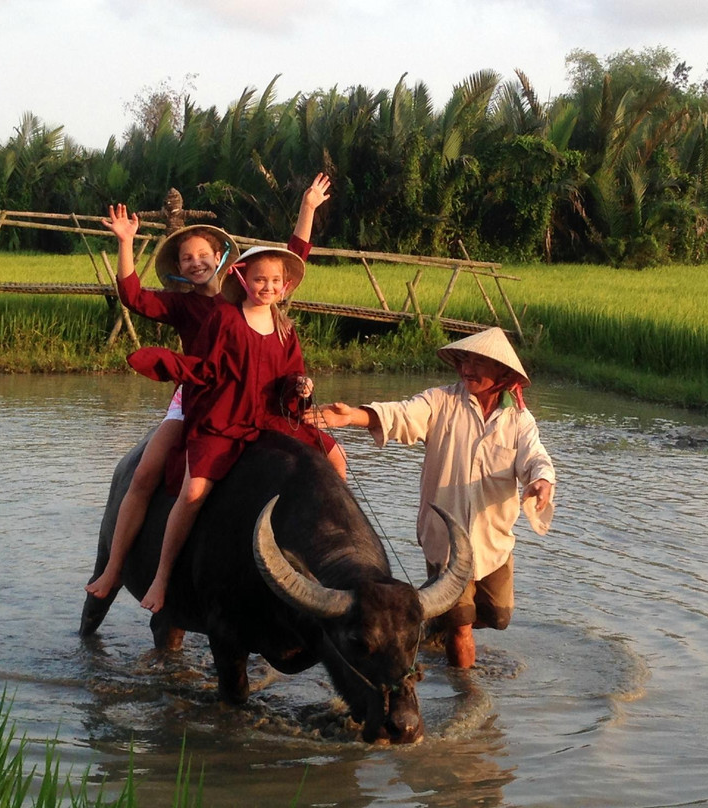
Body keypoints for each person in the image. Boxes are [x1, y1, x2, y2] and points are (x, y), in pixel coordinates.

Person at [84, 174, 335, 601]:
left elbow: (290, 260)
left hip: (253, 399)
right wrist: (126, 242)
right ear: (179, 268)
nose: (197, 263)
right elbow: (134, 297)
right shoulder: (183, 304)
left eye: (204, 255)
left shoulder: (249, 297)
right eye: (187, 258)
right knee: (144, 474)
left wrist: (308, 208)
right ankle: (114, 567)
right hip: (197, 397)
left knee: (322, 459)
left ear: (222, 260)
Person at [306, 327, 555, 668]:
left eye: (478, 363)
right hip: (446, 540)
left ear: (502, 372)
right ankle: (465, 688)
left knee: (498, 616)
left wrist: (541, 481)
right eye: (465, 360)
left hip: (493, 541)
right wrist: (352, 416)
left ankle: (437, 619)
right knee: (461, 629)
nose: (468, 368)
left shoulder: (519, 420)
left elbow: (535, 457)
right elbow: (401, 414)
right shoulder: (442, 402)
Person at [125, 242, 343, 613]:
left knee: (336, 457)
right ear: (242, 279)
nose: (267, 287)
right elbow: (205, 368)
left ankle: (331, 549)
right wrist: (167, 363)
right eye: (260, 279)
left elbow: (292, 375)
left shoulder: (285, 328)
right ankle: (162, 576)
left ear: (285, 286)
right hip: (226, 418)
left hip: (271, 418)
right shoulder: (224, 318)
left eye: (275, 281)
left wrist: (301, 386)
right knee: (193, 492)